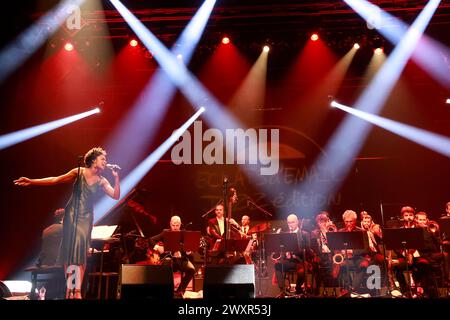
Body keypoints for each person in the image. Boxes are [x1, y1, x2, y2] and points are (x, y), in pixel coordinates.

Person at [14, 147, 120, 299]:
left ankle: (77, 291)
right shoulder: (78, 172)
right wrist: (32, 181)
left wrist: (116, 178)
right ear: (93, 160)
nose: (105, 161)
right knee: (70, 253)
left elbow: (116, 195)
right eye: (102, 158)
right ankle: (69, 289)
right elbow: (55, 179)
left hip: (86, 218)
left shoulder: (102, 180)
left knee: (81, 253)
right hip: (71, 215)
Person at [149, 216, 196, 297]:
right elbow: (151, 240)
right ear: (170, 224)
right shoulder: (165, 232)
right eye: (173, 225)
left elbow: (189, 251)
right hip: (168, 259)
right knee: (167, 265)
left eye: (177, 225)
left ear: (180, 225)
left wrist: (188, 252)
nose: (175, 227)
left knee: (192, 269)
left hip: (181, 259)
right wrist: (158, 247)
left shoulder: (184, 234)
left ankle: (180, 290)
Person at [272, 214, 311, 297]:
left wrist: (294, 252)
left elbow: (307, 251)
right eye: (289, 223)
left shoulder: (304, 234)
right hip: (288, 261)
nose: (290, 225)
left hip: (299, 260)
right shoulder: (285, 234)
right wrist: (282, 253)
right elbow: (281, 248)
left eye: (292, 222)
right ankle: (282, 290)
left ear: (297, 222)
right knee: (277, 265)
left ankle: (298, 288)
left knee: (303, 268)